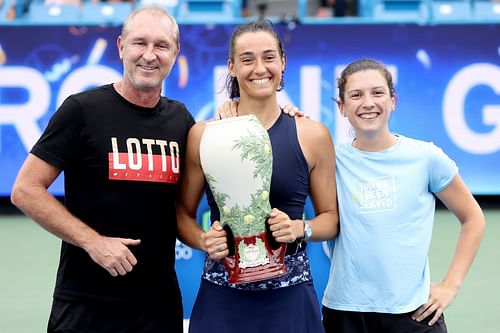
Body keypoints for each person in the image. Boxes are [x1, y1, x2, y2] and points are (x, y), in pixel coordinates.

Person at [10, 6, 194, 333]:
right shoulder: (82, 110)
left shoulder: (181, 121)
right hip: (86, 303)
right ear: (121, 46)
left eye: (161, 45)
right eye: (140, 43)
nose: (149, 55)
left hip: (158, 305)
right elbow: (25, 190)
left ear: (175, 52)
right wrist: (93, 242)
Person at [175, 19, 339, 333]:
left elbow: (331, 218)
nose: (259, 68)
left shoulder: (312, 135)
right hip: (221, 300)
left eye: (268, 57)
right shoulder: (204, 134)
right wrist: (203, 240)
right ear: (232, 67)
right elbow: (182, 214)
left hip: (290, 299)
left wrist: (299, 228)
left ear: (282, 62)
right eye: (247, 59)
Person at [321, 58, 485, 333]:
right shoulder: (330, 160)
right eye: (356, 95)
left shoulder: (426, 157)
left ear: (393, 100)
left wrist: (450, 286)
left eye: (377, 92)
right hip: (345, 313)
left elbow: (473, 219)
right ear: (341, 107)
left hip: (414, 315)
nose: (368, 102)